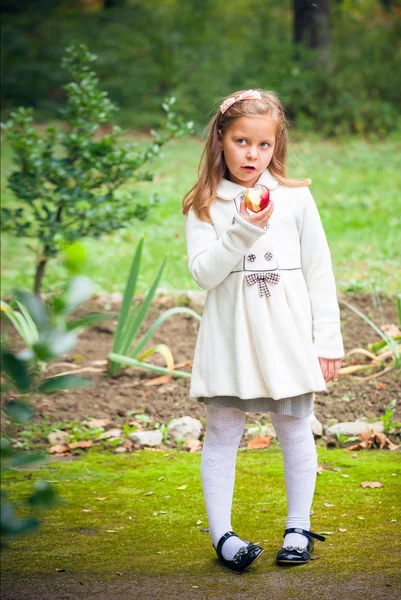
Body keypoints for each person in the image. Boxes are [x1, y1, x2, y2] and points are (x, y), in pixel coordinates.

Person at [181, 89, 344, 571]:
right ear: (220, 140)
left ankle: (298, 526)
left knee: (295, 428)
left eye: (263, 145)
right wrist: (243, 230)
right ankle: (222, 535)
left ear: (277, 146)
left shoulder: (295, 197)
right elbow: (205, 274)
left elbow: (320, 270)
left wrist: (327, 340)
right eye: (240, 141)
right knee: (224, 431)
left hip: (287, 337)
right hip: (230, 339)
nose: (252, 154)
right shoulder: (205, 205)